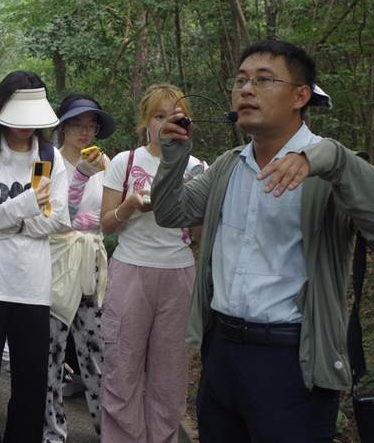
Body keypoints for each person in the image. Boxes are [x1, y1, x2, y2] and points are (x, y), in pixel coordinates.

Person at [152, 39, 374, 442]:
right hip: (221, 354)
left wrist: (328, 158)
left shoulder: (333, 171)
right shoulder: (229, 166)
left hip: (293, 360)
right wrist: (173, 159)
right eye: (240, 81)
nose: (246, 90)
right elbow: (172, 214)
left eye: (263, 80)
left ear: (300, 96)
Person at [0, 70, 70, 443]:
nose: (25, 126)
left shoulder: (50, 157)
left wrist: (4, 221)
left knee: (31, 382)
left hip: (31, 286)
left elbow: (59, 220)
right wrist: (25, 206)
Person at [100, 84, 204, 443]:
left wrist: (189, 205)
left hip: (178, 272)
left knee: (170, 372)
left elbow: (197, 234)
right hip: (130, 268)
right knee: (122, 364)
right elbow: (106, 224)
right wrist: (130, 205)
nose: (165, 123)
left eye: (174, 116)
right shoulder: (124, 162)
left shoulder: (197, 167)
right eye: (158, 116)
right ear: (145, 120)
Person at [43, 93, 115, 442]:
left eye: (91, 126)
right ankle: (52, 432)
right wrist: (88, 217)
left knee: (97, 349)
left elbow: (112, 216)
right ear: (63, 126)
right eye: (77, 124)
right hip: (56, 265)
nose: (85, 132)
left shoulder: (106, 163)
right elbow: (51, 218)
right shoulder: (48, 162)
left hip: (91, 265)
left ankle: (109, 429)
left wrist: (93, 222)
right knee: (52, 354)